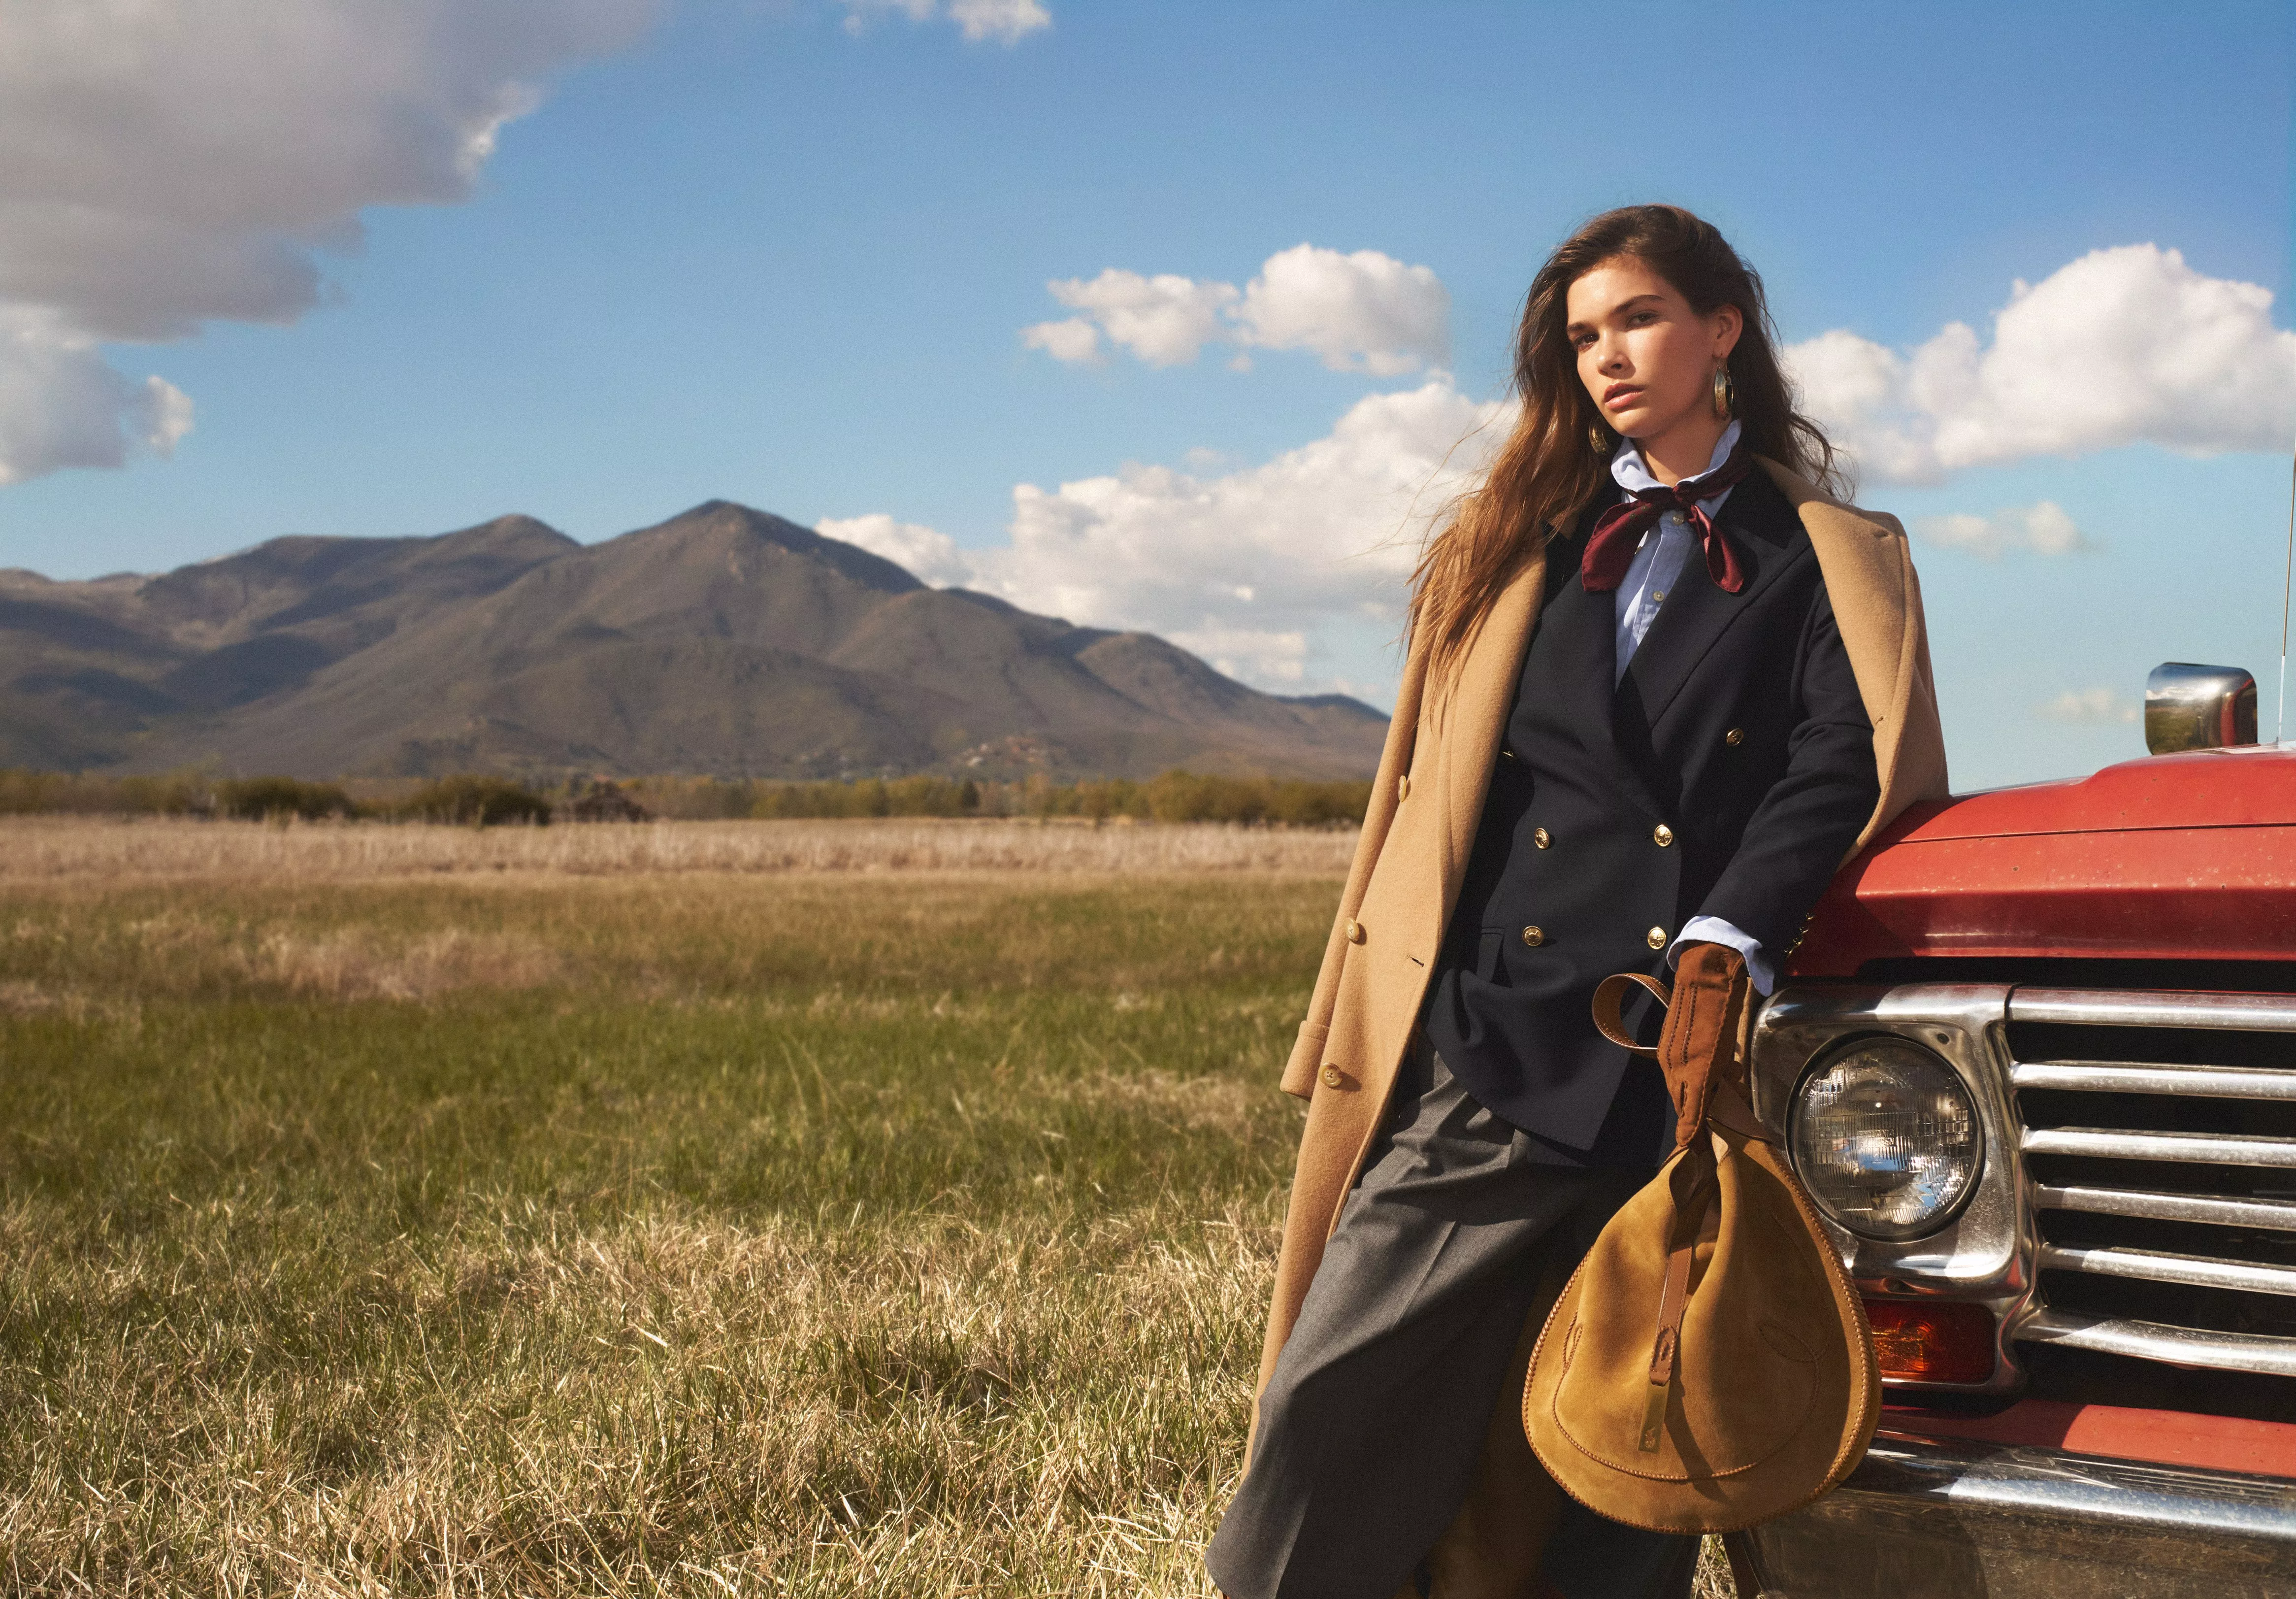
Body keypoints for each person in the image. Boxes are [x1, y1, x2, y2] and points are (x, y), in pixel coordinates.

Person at [1204, 204, 1949, 1599]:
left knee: (1624, 1448)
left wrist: (1733, 928)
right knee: (1328, 1412)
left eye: (1639, 319)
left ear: (1721, 329)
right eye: (1582, 336)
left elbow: (1833, 765)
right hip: (1490, 1045)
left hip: (1674, 1064)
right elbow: (1438, 799)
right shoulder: (1513, 545)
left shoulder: (1823, 557)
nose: (1608, 356)